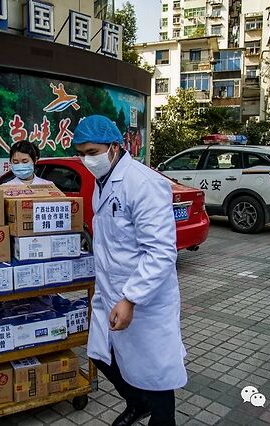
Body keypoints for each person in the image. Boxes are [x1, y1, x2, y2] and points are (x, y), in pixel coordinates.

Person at [72, 115, 187, 426]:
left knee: (155, 373)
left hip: (145, 300)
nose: (87, 160)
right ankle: (137, 403)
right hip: (110, 291)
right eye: (81, 153)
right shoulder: (103, 182)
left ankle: (161, 420)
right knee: (100, 353)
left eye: (92, 152)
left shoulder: (143, 183)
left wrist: (131, 298)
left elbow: (161, 252)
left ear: (114, 146)